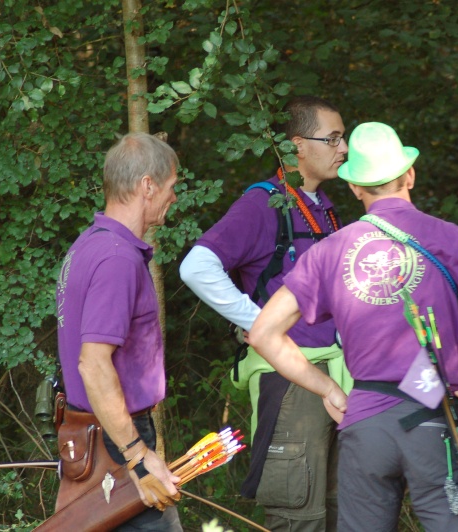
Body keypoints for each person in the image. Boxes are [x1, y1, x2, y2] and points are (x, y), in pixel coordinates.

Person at [246, 121, 458, 531]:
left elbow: (264, 332)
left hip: (365, 425)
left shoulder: (329, 252)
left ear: (355, 187)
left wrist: (328, 389)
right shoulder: (445, 236)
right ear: (409, 174)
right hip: (432, 419)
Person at [179, 96, 350, 531]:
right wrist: (257, 322)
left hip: (334, 379)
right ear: (297, 145)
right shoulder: (263, 203)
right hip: (290, 383)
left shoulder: (322, 207)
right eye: (332, 138)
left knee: (334, 511)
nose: (343, 148)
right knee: (298, 516)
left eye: (343, 137)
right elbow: (196, 267)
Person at [55, 132, 182, 529]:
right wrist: (137, 455)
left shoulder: (88, 245)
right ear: (148, 185)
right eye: (171, 187)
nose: (173, 198)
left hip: (94, 431)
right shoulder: (116, 258)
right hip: (115, 438)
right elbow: (93, 365)